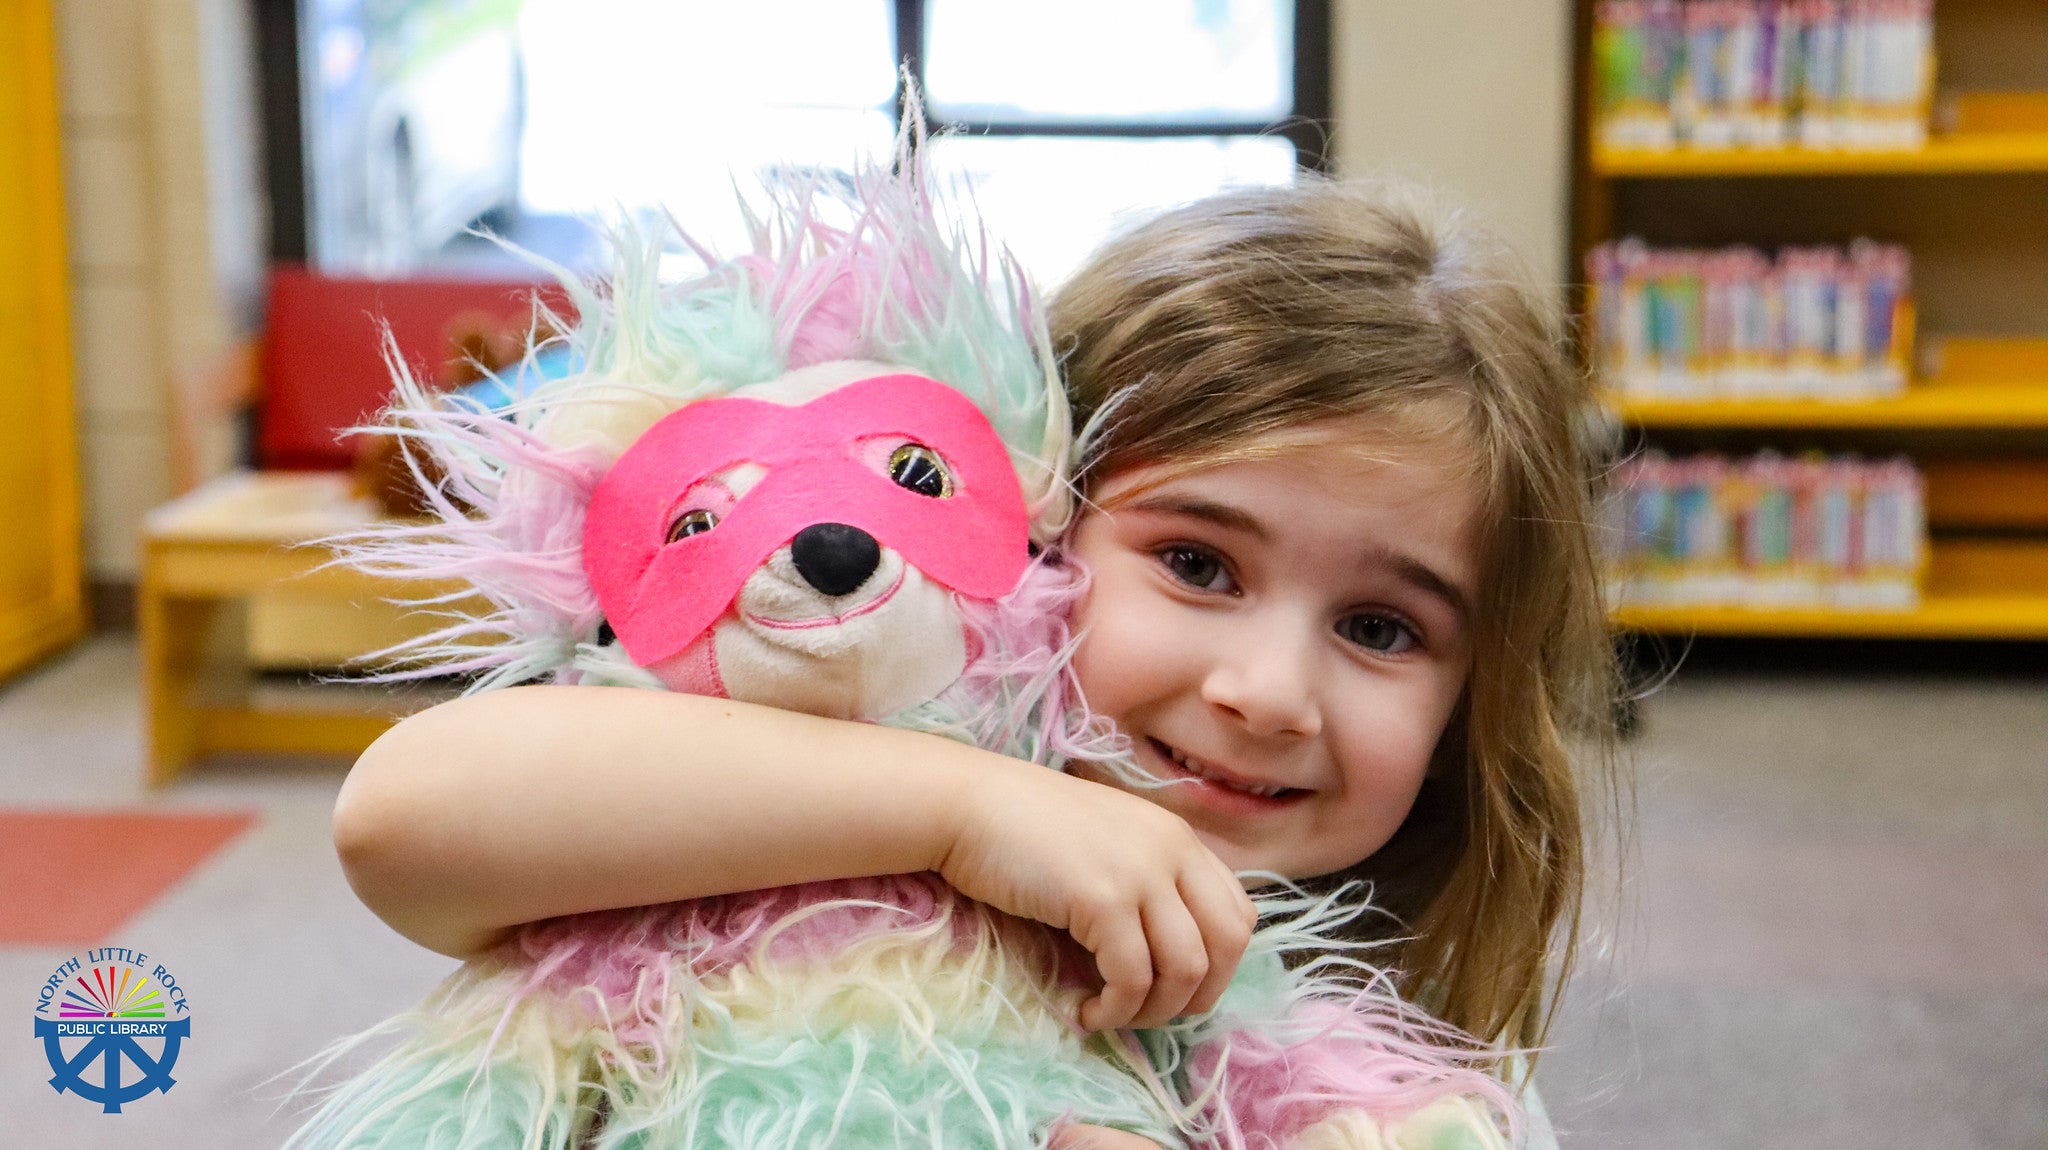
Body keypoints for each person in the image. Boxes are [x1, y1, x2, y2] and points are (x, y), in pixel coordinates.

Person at [331, 178, 1621, 1146]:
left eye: (1381, 629)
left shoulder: (1408, 1065)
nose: (1268, 691)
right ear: (1027, 519)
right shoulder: (815, 789)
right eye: (1199, 566)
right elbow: (403, 815)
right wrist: (966, 811)